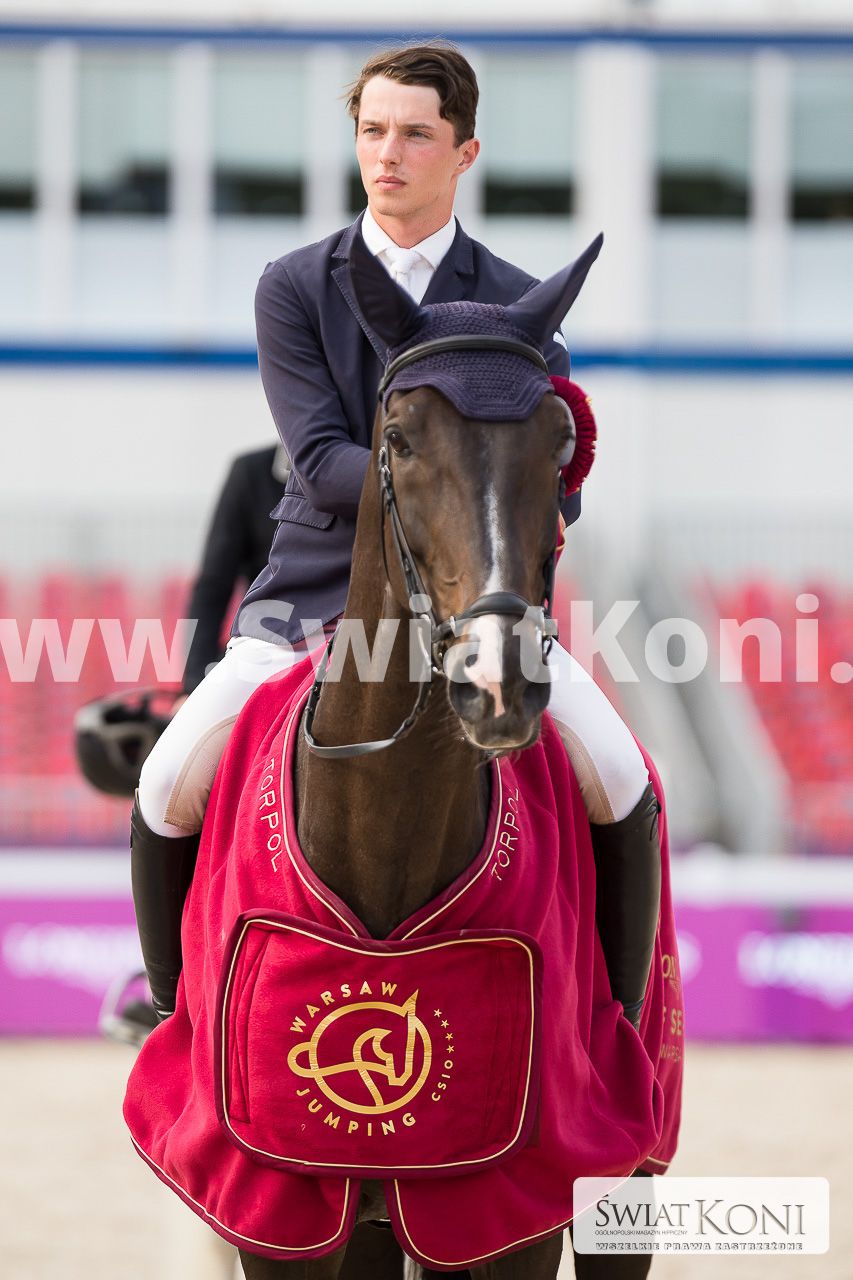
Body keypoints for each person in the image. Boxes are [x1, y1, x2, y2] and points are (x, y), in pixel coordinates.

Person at [130, 43, 661, 1047]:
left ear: (463, 152)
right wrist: (445, 483)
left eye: (415, 133)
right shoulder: (296, 284)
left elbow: (549, 474)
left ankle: (615, 1032)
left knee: (622, 776)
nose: (388, 153)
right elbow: (316, 457)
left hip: (475, 603)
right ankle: (174, 1019)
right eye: (372, 131)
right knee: (164, 786)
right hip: (312, 596)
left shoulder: (518, 299)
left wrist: (514, 505)